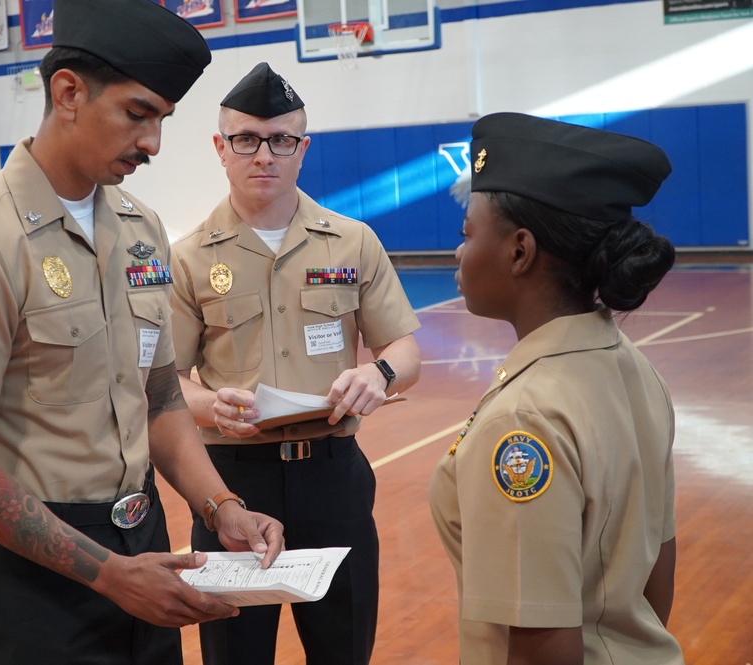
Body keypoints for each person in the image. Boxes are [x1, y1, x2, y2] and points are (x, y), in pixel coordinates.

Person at [0, 3, 284, 664]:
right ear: (68, 93)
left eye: (162, 120)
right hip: (38, 572)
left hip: (146, 544)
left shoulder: (141, 230)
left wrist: (220, 504)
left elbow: (162, 398)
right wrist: (107, 573)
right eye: (139, 114)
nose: (153, 144)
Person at [170, 62, 422, 665]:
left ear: (302, 148)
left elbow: (404, 349)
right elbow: (165, 382)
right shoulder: (189, 259)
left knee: (343, 646)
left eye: (282, 140)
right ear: (220, 149)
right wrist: (209, 404)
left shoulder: (352, 241)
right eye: (246, 140)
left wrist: (376, 374)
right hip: (231, 484)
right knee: (236, 653)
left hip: (332, 475)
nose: (265, 155)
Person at [429, 112, 684, 664]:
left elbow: (539, 646)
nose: (458, 252)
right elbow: (655, 581)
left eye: (466, 233)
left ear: (519, 251)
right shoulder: (636, 368)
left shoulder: (523, 419)